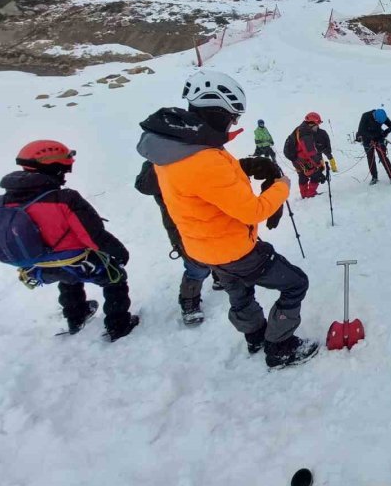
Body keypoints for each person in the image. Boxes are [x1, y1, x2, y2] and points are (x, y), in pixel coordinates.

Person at [136, 69, 318, 369]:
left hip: (202, 249)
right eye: (233, 116)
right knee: (295, 283)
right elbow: (253, 211)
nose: (234, 122)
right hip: (235, 249)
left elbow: (201, 184)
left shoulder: (175, 147)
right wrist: (281, 187)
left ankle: (256, 336)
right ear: (218, 111)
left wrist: (245, 166)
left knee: (239, 292)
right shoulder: (203, 157)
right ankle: (280, 346)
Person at [0, 140, 138, 340]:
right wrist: (119, 252)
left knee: (66, 276)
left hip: (36, 268)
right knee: (115, 278)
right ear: (54, 167)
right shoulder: (65, 199)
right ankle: (119, 325)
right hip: (78, 262)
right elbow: (93, 237)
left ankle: (76, 317)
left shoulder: (2, 202)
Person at [135, 160, 224, 326]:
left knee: (220, 249)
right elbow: (144, 185)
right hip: (183, 227)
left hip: (210, 216)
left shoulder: (199, 151)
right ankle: (189, 302)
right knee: (196, 265)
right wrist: (164, 162)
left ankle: (220, 277)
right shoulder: (159, 162)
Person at [283, 112, 337, 199]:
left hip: (295, 158)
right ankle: (311, 194)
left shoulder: (300, 129)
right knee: (315, 174)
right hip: (302, 159)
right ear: (312, 123)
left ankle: (304, 195)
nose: (318, 127)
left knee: (302, 175)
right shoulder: (305, 133)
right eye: (317, 124)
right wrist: (319, 167)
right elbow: (310, 152)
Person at [355, 108, 391, 185]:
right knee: (370, 158)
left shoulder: (382, 116)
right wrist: (373, 137)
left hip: (379, 137)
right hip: (367, 139)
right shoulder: (365, 116)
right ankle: (374, 177)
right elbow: (361, 131)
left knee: (383, 157)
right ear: (374, 117)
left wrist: (384, 133)